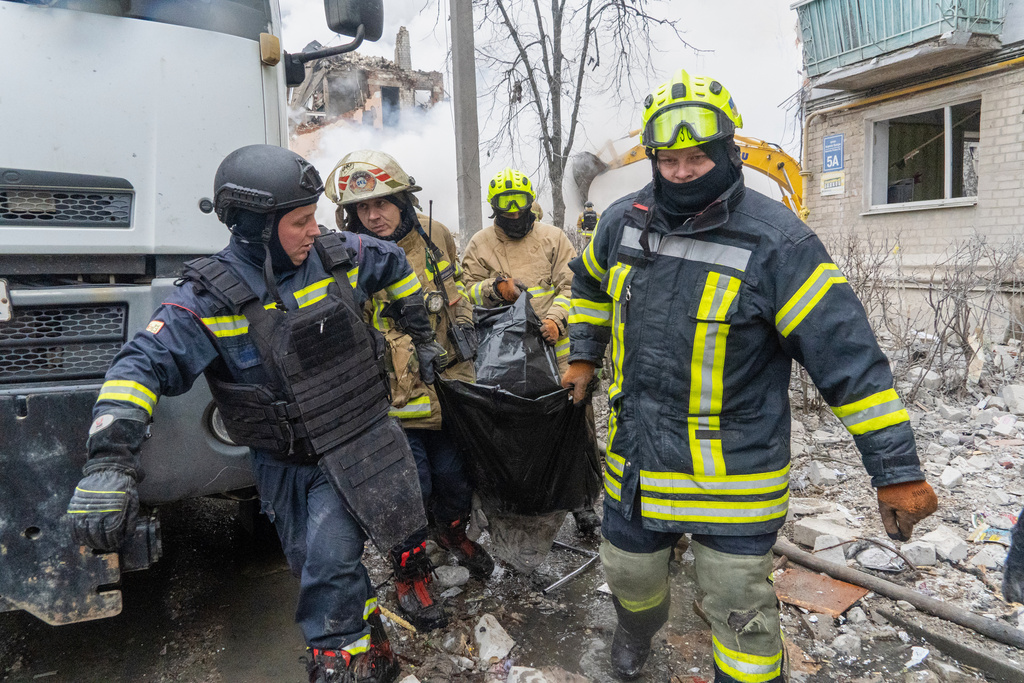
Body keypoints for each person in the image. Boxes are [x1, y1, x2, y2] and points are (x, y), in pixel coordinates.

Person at [560, 70, 939, 682]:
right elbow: (588, 283)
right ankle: (637, 629)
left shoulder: (780, 244)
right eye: (670, 159)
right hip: (636, 460)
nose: (682, 172)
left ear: (728, 150)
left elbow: (850, 361)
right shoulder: (622, 223)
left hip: (733, 473)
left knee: (739, 607)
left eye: (697, 158)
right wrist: (583, 352)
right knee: (629, 578)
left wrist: (896, 472)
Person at [64, 145, 449, 683]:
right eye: (299, 221)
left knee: (343, 553)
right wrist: (109, 461)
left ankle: (350, 650)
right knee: (314, 565)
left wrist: (421, 334)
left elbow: (396, 267)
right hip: (287, 462)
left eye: (314, 216)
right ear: (254, 228)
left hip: (365, 437)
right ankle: (372, 644)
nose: (314, 229)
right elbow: (138, 365)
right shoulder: (208, 299)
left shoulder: (342, 254)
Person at [325, 149, 494, 585]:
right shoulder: (347, 256)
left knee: (455, 477)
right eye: (362, 207)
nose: (373, 215)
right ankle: (410, 571)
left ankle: (452, 534)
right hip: (390, 395)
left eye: (382, 203)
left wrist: (462, 326)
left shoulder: (435, 234)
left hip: (445, 382)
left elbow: (453, 288)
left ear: (403, 202)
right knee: (408, 485)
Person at [462, 167, 603, 537]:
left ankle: (582, 505)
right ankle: (518, 504)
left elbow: (576, 288)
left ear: (530, 202)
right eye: (504, 203)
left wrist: (557, 320)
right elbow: (464, 293)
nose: (512, 210)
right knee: (514, 431)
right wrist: (496, 289)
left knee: (575, 428)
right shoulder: (480, 244)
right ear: (493, 206)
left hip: (558, 355)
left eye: (519, 201)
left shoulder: (554, 238)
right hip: (504, 357)